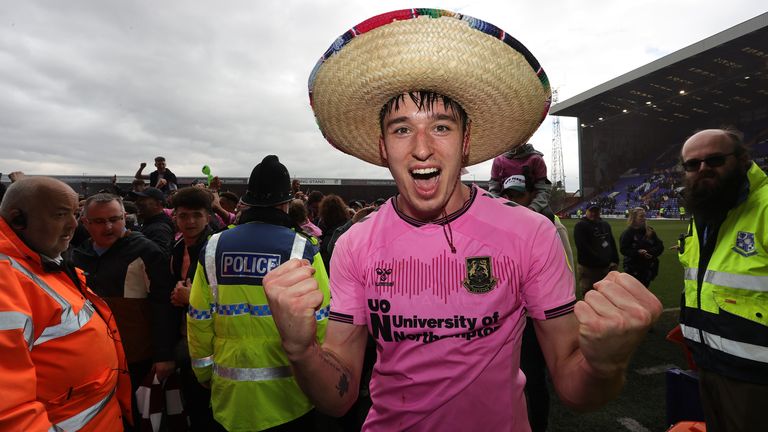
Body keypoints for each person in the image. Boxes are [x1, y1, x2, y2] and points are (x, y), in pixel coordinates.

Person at [262, 9, 661, 431]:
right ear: (382, 147)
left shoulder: (530, 234)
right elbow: (338, 399)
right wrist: (301, 349)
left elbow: (573, 388)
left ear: (466, 142)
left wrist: (605, 363)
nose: (421, 149)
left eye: (441, 127)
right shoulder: (355, 244)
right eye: (401, 129)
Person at [187, 155, 331, 431]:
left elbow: (198, 317)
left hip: (228, 397)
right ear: (285, 203)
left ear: (248, 201)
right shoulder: (302, 249)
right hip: (290, 398)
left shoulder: (214, 246)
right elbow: (321, 317)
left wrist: (203, 371)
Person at [0, 177, 131, 431]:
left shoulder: (40, 260)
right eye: (60, 214)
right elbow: (9, 414)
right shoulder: (7, 277)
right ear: (18, 219)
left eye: (75, 214)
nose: (73, 225)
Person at [677, 128, 768, 431]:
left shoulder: (764, 207)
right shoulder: (703, 213)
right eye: (692, 164)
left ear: (742, 160)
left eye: (714, 160)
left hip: (756, 378)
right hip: (708, 364)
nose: (703, 169)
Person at [72, 193, 177, 430]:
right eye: (99, 221)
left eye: (115, 219)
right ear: (85, 223)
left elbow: (163, 304)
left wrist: (163, 353)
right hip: (94, 358)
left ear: (125, 218)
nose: (108, 227)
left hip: (136, 356)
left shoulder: (146, 251)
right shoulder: (79, 254)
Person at [500, 174, 575, 432]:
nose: (512, 200)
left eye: (518, 194)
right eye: (508, 195)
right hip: (509, 317)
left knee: (534, 379)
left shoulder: (549, 224)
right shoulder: (505, 222)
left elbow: (565, 272)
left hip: (536, 318)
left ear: (532, 194)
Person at [168, 187, 216, 431]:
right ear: (175, 217)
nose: (190, 221)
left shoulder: (216, 249)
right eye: (183, 216)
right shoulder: (176, 249)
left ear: (208, 216)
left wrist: (192, 298)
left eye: (197, 215)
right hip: (185, 339)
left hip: (212, 345)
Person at [489, 142, 553, 216]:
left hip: (531, 202)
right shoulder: (498, 160)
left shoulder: (536, 159)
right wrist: (497, 204)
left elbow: (543, 188)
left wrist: (534, 207)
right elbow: (494, 187)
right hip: (504, 202)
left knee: (548, 214)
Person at [574, 202, 620, 295]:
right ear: (586, 211)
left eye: (596, 211)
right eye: (591, 211)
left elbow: (611, 242)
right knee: (590, 295)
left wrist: (615, 260)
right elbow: (583, 248)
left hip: (606, 267)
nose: (594, 213)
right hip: (589, 269)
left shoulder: (605, 225)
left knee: (606, 294)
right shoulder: (580, 226)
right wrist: (601, 260)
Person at [619, 207, 663, 288]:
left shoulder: (650, 231)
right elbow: (624, 249)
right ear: (634, 218)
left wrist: (650, 253)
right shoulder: (628, 233)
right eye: (641, 216)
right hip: (633, 269)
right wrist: (637, 252)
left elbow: (660, 246)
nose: (644, 218)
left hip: (648, 268)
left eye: (644, 216)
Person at [128, 187, 175, 254]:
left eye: (142, 199)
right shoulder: (151, 223)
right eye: (137, 199)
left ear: (158, 204)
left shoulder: (160, 229)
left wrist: (135, 237)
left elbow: (160, 257)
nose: (136, 203)